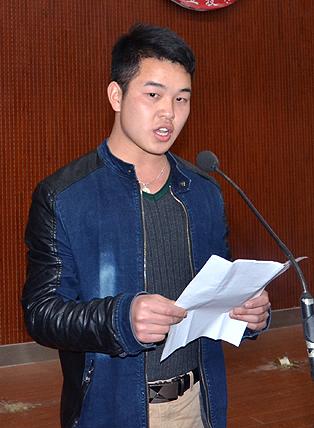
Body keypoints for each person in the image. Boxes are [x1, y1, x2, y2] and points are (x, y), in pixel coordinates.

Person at [21, 23, 271, 428]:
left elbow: (216, 293)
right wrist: (121, 318)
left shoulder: (204, 191)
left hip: (198, 404)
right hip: (110, 411)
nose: (169, 112)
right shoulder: (65, 196)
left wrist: (247, 313)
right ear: (116, 96)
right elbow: (42, 313)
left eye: (181, 99)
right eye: (153, 95)